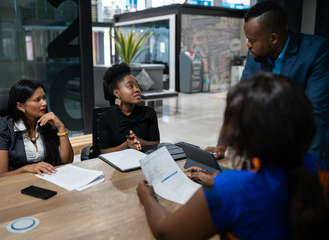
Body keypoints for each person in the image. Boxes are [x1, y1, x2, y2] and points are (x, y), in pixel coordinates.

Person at [137, 72, 329, 240]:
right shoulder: (316, 168)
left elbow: (167, 233)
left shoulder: (228, 192)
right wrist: (217, 178)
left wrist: (147, 197)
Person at [206, 1, 329, 169]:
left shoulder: (316, 52)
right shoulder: (255, 52)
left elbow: (315, 115)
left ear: (273, 38)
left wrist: (306, 173)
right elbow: (240, 102)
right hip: (268, 147)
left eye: (251, 40)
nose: (248, 44)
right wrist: (222, 145)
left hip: (301, 148)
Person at [0, 79, 74, 179]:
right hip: (15, 184)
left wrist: (61, 127)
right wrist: (26, 169)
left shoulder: (49, 121)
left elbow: (66, 161)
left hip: (46, 179)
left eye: (44, 98)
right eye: (37, 100)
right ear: (20, 106)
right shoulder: (4, 126)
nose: (44, 103)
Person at [98, 62, 160, 154]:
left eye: (137, 86)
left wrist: (139, 141)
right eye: (130, 86)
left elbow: (156, 143)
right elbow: (104, 151)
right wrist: (126, 145)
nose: (137, 90)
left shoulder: (149, 113)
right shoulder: (105, 118)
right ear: (117, 93)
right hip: (118, 162)